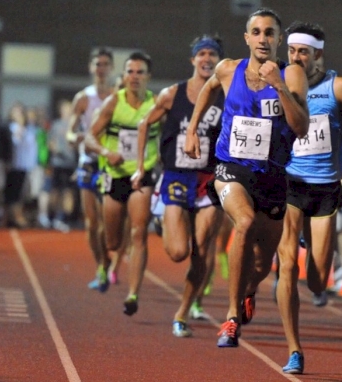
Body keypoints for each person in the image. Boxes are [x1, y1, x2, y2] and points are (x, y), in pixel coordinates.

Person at [183, 7, 309, 348]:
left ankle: (249, 290)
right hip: (231, 168)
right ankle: (231, 316)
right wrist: (193, 130)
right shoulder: (228, 69)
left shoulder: (293, 74)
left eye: (270, 33)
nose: (263, 39)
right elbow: (208, 89)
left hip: (271, 175)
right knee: (243, 223)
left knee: (262, 264)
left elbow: (301, 127)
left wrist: (279, 86)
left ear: (279, 39)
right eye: (257, 32)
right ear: (247, 38)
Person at [275, 21, 342, 374]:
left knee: (315, 280)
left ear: (318, 54)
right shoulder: (280, 83)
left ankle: (308, 260)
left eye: (303, 52)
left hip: (326, 188)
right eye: (292, 51)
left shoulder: (338, 87)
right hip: (291, 182)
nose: (296, 58)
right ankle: (295, 350)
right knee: (287, 265)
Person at [134, 35, 225, 337]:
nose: (207, 59)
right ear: (193, 60)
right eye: (202, 54)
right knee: (177, 252)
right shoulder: (173, 94)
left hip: (208, 180)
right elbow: (145, 124)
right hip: (175, 177)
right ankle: (165, 223)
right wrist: (140, 167)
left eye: (212, 54)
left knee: (201, 251)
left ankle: (182, 313)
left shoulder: (225, 96)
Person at [85, 51, 158, 315]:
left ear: (148, 76)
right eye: (130, 71)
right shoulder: (113, 103)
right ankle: (108, 261)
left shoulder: (157, 104)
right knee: (113, 241)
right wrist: (106, 153)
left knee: (139, 233)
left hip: (142, 175)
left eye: (140, 72)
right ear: (123, 75)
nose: (135, 77)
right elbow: (90, 137)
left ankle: (132, 294)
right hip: (114, 174)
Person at [67, 48, 115, 291]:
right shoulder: (83, 98)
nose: (101, 68)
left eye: (106, 64)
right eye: (98, 64)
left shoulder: (117, 96)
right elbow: (69, 130)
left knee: (109, 223)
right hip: (88, 161)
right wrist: (74, 137)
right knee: (91, 224)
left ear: (111, 68)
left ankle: (109, 261)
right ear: (91, 67)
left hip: (109, 162)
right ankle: (101, 266)